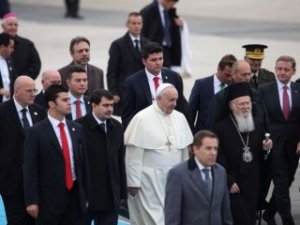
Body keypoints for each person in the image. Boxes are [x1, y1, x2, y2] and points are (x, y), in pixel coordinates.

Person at [125, 83, 193, 225]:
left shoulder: (180, 118)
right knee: (154, 220)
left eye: (176, 100)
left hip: (174, 180)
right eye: (171, 100)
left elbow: (184, 153)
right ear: (158, 98)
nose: (174, 104)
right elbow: (134, 155)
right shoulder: (142, 118)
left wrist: (187, 177)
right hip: (149, 181)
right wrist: (133, 182)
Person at [23, 84, 89, 225]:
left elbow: (84, 164)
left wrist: (87, 195)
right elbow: (30, 168)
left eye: (69, 99)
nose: (69, 103)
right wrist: (31, 201)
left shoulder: (77, 129)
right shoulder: (35, 132)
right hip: (48, 200)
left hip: (75, 197)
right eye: (64, 100)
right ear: (52, 104)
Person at [213, 82, 272, 225]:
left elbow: (263, 152)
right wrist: (229, 180)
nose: (246, 107)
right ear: (232, 106)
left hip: (253, 182)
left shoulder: (257, 124)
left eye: (248, 103)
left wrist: (267, 147)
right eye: (241, 104)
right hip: (234, 183)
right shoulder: (221, 128)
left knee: (250, 218)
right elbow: (217, 157)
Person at [258, 56, 300, 225]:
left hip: (293, 147)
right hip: (274, 146)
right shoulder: (263, 90)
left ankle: (269, 213)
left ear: (293, 71)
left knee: (287, 181)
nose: (282, 72)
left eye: (286, 69)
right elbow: (259, 118)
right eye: (279, 69)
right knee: (281, 185)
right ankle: (287, 220)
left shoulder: (298, 89)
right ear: (275, 69)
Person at [76, 89, 127, 225]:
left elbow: (120, 161)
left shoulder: (117, 127)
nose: (110, 109)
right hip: (87, 196)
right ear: (93, 105)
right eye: (105, 105)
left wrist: (121, 192)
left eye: (111, 105)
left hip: (111, 196)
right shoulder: (78, 127)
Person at [0, 76, 46, 225]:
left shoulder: (39, 112)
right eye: (29, 91)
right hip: (12, 182)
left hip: (37, 182)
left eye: (35, 90)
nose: (33, 94)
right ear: (16, 91)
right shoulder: (2, 112)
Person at [165, 130, 232, 225]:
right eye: (208, 148)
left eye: (215, 149)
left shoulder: (220, 172)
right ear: (196, 149)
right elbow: (172, 217)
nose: (213, 153)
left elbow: (226, 212)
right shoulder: (178, 174)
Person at [122, 42, 189, 129]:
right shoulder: (132, 82)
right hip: (145, 130)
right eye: (154, 60)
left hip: (170, 128)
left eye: (160, 59)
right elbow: (127, 114)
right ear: (144, 61)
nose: (158, 62)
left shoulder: (174, 77)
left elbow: (181, 106)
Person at [106, 12, 149, 116]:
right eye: (134, 23)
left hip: (143, 92)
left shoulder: (147, 43)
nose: (137, 26)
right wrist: (113, 92)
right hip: (123, 93)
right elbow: (112, 71)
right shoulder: (118, 45)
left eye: (139, 23)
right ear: (127, 24)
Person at [207, 60, 269, 130]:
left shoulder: (256, 95)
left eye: (249, 74)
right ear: (233, 74)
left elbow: (263, 120)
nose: (248, 78)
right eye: (244, 75)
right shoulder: (221, 97)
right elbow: (212, 125)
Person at [189, 54, 237, 133]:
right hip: (203, 134)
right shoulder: (201, 84)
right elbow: (191, 112)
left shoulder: (234, 87)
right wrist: (191, 135)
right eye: (227, 75)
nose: (229, 78)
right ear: (218, 69)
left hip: (226, 136)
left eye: (232, 75)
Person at [140, 0, 182, 68]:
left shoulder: (171, 12)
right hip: (153, 51)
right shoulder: (148, 11)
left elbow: (175, 34)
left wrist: (181, 25)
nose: (173, 6)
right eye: (172, 3)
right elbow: (142, 33)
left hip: (167, 52)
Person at [1, 12, 41, 79]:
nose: (13, 27)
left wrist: (22, 80)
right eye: (10, 24)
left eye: (16, 25)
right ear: (3, 26)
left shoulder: (27, 44)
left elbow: (35, 65)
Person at [0, 32, 15, 103]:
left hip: (7, 105)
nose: (13, 50)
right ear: (2, 47)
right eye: (11, 47)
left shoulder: (10, 61)